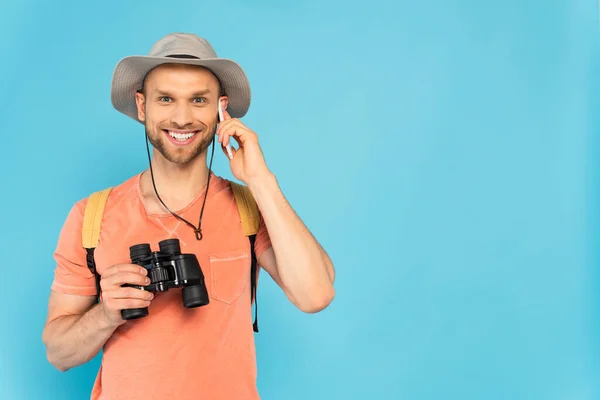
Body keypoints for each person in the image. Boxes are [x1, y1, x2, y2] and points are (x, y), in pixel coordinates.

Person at [41, 32, 335, 400]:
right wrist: (106, 313)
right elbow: (58, 354)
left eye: (199, 100)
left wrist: (261, 180)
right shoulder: (92, 216)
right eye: (166, 99)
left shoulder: (249, 207)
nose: (182, 119)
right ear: (142, 105)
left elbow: (316, 295)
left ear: (220, 108)